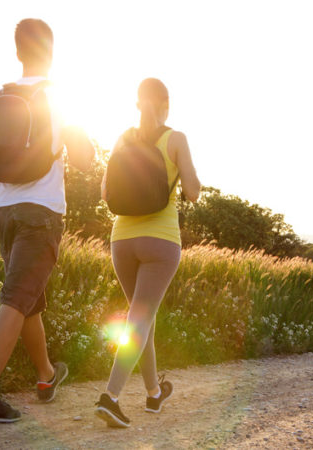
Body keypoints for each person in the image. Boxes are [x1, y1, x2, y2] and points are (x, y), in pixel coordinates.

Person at [0, 18, 94, 423]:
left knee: (28, 302)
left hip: (2, 209)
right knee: (17, 299)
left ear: (18, 53)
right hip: (42, 211)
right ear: (51, 54)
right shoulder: (60, 101)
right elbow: (86, 162)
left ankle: (46, 375)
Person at [95, 78, 201, 427]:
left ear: (138, 103)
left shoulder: (123, 138)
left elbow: (106, 191)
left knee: (143, 319)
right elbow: (193, 192)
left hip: (122, 239)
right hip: (160, 240)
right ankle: (110, 397)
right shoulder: (176, 139)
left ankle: (154, 393)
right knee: (139, 320)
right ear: (165, 104)